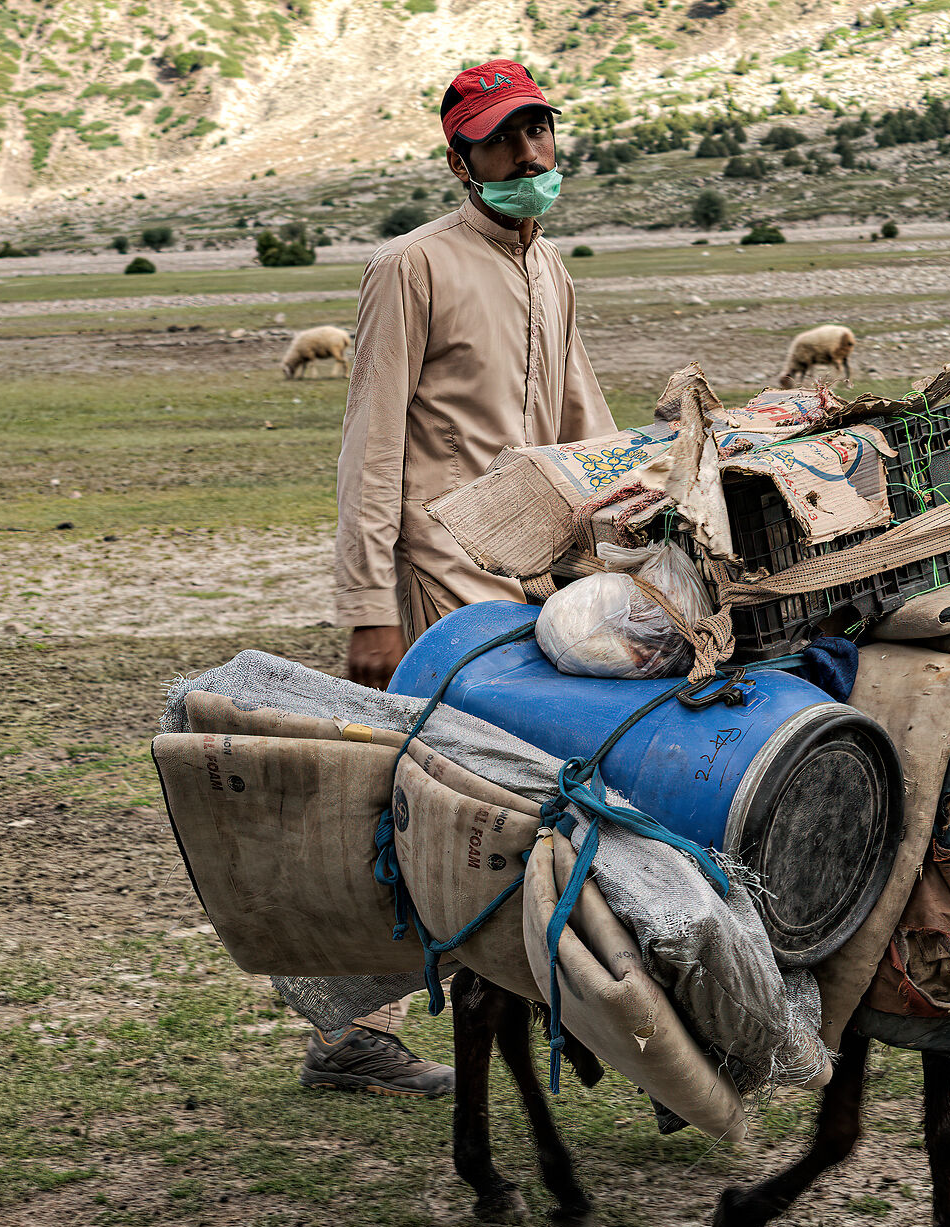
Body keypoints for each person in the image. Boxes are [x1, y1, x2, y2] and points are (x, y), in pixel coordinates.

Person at [303, 58, 616, 1099]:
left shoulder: (549, 269)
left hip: (536, 579)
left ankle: (551, 997)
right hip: (439, 578)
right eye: (503, 138)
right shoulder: (413, 267)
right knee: (412, 798)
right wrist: (367, 608)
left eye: (539, 132)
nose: (529, 153)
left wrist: (632, 537)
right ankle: (353, 1032)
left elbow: (584, 429)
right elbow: (370, 446)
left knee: (525, 791)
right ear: (460, 158)